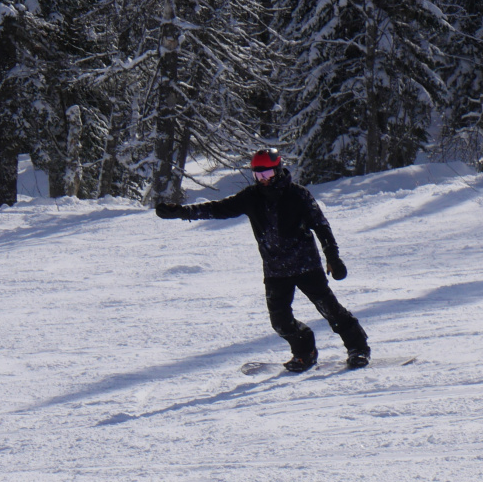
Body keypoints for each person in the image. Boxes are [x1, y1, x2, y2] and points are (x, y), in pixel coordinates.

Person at [155, 150, 370, 371]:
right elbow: (218, 209)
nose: (263, 180)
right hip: (275, 271)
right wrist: (180, 212)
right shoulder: (252, 197)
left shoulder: (298, 195)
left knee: (330, 310)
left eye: (266, 174)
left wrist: (333, 257)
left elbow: (321, 226)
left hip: (306, 266)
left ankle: (358, 348)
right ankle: (305, 351)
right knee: (280, 322)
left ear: (277, 170)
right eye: (258, 175)